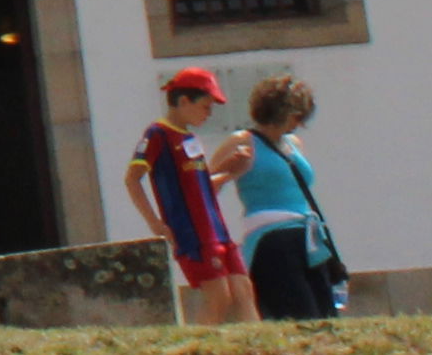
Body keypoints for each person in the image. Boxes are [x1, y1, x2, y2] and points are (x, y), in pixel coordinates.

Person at [124, 66, 251, 326]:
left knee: (243, 291)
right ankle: (199, 350)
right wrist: (155, 223)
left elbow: (200, 185)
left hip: (217, 229)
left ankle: (261, 344)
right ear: (183, 101)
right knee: (219, 298)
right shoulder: (158, 134)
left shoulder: (191, 138)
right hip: (192, 232)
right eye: (205, 106)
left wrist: (230, 170)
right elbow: (132, 178)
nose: (209, 113)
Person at [216, 71, 344, 321]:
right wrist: (230, 171)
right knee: (297, 312)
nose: (299, 123)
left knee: (325, 315)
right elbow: (201, 188)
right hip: (271, 238)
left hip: (308, 235)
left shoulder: (293, 144)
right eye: (296, 115)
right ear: (279, 111)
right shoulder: (241, 142)